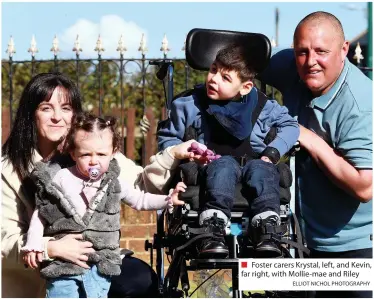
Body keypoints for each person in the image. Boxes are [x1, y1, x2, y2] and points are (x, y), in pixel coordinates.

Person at [1, 72, 196, 298]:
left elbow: (140, 186)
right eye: (46, 108)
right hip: (37, 278)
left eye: (65, 108)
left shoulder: (95, 150)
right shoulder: (7, 168)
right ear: (31, 114)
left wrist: (173, 154)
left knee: (140, 281)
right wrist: (50, 248)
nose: (57, 117)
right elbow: (4, 239)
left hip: (96, 261)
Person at [260, 11, 372, 298]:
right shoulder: (291, 68)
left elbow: (365, 186)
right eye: (302, 51)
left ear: (344, 49)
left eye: (322, 51)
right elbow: (244, 65)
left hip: (354, 248)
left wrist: (308, 138)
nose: (311, 62)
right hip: (302, 239)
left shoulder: (360, 104)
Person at [158, 44, 299, 258]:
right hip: (212, 167)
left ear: (245, 87)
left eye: (225, 78)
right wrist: (184, 151)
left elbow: (291, 127)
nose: (214, 79)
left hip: (256, 165)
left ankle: (267, 229)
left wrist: (273, 152)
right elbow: (168, 139)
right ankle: (212, 227)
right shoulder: (188, 104)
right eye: (213, 70)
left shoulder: (263, 106)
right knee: (223, 165)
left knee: (263, 169)